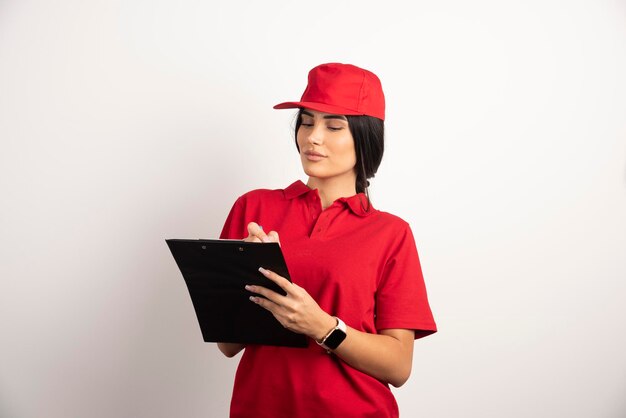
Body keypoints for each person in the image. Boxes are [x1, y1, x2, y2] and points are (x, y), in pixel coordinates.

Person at [217, 63, 437, 418]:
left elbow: (398, 367)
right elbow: (227, 345)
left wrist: (323, 327)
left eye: (333, 126)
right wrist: (250, 277)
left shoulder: (391, 233)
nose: (312, 137)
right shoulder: (253, 208)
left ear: (366, 138)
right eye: (306, 121)